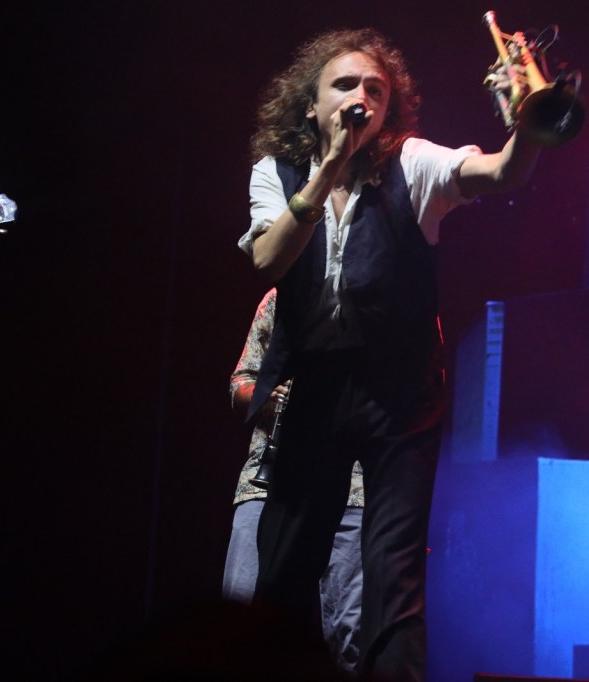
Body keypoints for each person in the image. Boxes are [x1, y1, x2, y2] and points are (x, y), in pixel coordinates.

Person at [238, 28, 548, 682]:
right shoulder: (279, 172)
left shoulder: (412, 162)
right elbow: (267, 258)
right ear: (313, 105)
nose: (360, 98)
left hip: (400, 390)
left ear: (389, 106)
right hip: (317, 383)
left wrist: (528, 124)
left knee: (393, 568)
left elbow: (500, 171)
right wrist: (325, 172)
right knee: (285, 560)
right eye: (344, 85)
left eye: (374, 89)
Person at [222, 287, 364, 673]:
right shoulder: (279, 297)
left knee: (349, 634)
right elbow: (240, 383)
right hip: (268, 481)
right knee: (240, 616)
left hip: (353, 485)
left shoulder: (383, 294)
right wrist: (269, 394)